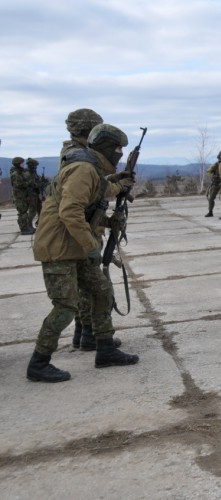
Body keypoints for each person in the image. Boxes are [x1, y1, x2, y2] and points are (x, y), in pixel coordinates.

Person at [27, 123, 139, 382]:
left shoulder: (92, 169)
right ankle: (38, 363)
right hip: (59, 247)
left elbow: (97, 196)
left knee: (101, 291)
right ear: (107, 148)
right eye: (118, 148)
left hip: (74, 245)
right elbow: (70, 212)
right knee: (66, 306)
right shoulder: (84, 169)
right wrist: (90, 246)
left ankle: (105, 349)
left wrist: (113, 211)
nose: (121, 153)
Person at [59, 108, 122, 351]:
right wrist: (116, 185)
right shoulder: (80, 157)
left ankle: (83, 333)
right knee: (93, 286)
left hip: (85, 227)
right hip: (83, 231)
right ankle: (89, 334)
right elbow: (95, 190)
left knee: (87, 285)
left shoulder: (73, 152)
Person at [10, 156, 35, 234]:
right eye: (21, 163)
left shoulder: (20, 172)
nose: (23, 165)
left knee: (24, 212)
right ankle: (23, 229)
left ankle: (26, 227)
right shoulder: (16, 174)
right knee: (22, 213)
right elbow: (19, 184)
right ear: (18, 164)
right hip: (19, 196)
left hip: (22, 195)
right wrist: (28, 183)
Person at [24, 158, 46, 227]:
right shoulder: (27, 174)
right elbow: (30, 184)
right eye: (35, 166)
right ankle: (28, 225)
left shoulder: (33, 172)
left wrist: (42, 181)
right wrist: (39, 184)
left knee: (40, 210)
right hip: (31, 194)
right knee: (32, 211)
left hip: (36, 194)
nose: (36, 167)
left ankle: (39, 224)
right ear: (31, 165)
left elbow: (37, 180)